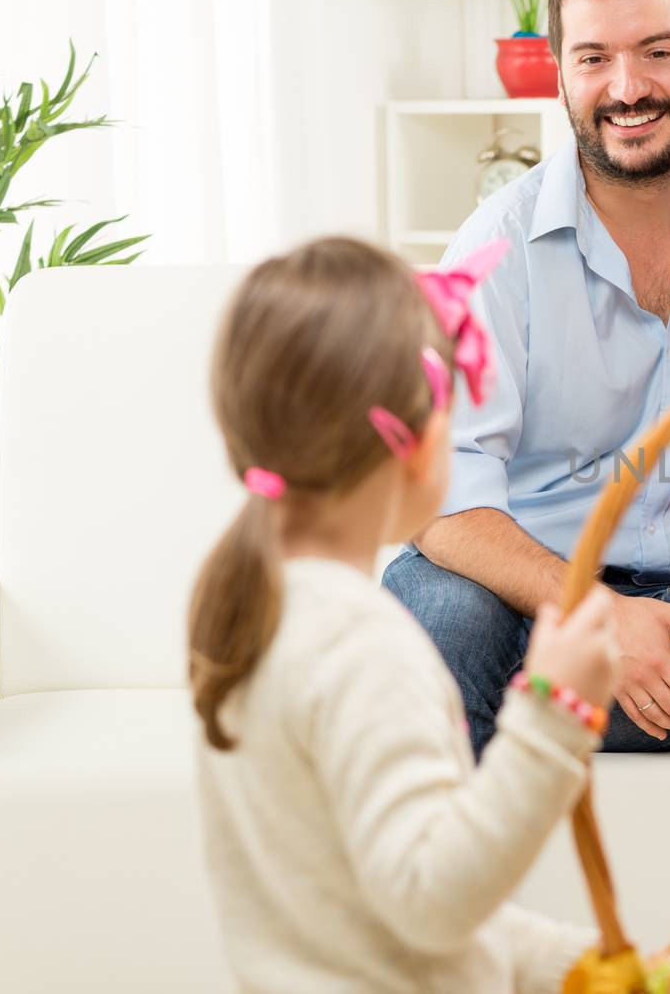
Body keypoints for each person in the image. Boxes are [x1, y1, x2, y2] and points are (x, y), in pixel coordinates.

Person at [382, 0, 670, 757]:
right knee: (445, 620)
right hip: (512, 576)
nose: (626, 88)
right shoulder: (497, 246)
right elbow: (440, 494)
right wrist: (593, 614)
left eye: (658, 52)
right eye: (593, 57)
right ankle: (482, 764)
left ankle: (465, 732)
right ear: (562, 73)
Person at [189, 236, 621, 993]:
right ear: (419, 446)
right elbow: (430, 900)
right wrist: (556, 712)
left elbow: (368, 901)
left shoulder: (254, 608)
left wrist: (570, 963)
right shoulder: (359, 646)